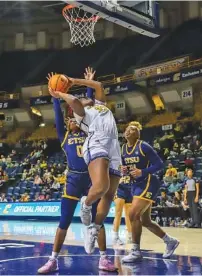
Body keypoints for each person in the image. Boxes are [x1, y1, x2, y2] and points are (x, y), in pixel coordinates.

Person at [38, 68, 116, 274]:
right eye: (69, 119)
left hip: (91, 179)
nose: (73, 120)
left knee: (98, 222)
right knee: (63, 221)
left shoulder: (88, 128)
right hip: (73, 179)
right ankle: (53, 259)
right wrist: (54, 96)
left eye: (74, 118)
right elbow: (60, 113)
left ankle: (103, 258)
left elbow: (88, 108)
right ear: (66, 122)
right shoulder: (64, 136)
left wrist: (88, 87)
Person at [120, 122, 179, 263]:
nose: (129, 131)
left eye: (133, 129)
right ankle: (170, 241)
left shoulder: (143, 146)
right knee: (145, 221)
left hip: (149, 182)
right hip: (136, 184)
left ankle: (135, 251)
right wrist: (124, 170)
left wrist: (143, 172)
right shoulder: (123, 148)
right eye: (128, 129)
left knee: (133, 214)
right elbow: (126, 167)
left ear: (137, 134)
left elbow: (159, 164)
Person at [113, 139, 133, 245]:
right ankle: (115, 237)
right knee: (118, 213)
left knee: (129, 215)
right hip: (119, 188)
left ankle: (130, 236)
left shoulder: (130, 160)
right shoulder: (115, 161)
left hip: (129, 187)